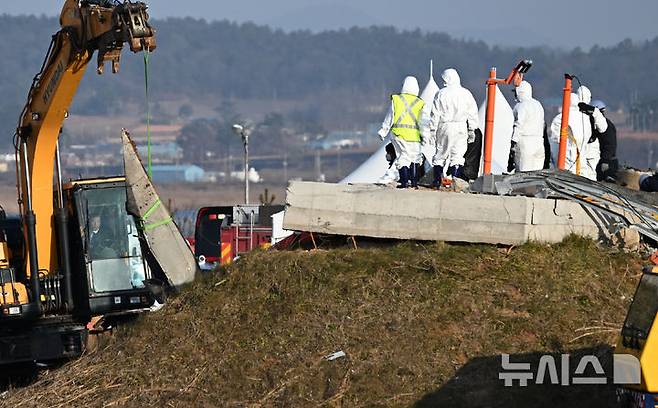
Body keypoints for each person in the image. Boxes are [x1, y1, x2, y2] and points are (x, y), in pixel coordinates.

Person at [426, 68, 479, 186]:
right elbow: (472, 113)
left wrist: (432, 130)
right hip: (461, 127)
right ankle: (455, 181)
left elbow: (435, 114)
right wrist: (472, 129)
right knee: (458, 156)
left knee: (440, 154)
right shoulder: (466, 93)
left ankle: (437, 181)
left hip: (445, 126)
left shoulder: (440, 93)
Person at [378, 76, 424, 188]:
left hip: (398, 134)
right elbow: (423, 121)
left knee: (402, 157)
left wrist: (383, 131)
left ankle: (404, 183)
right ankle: (414, 183)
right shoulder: (420, 103)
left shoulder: (397, 100)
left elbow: (390, 116)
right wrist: (426, 135)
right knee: (415, 158)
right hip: (414, 136)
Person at [549, 92, 593, 179]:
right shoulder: (585, 118)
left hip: (567, 155)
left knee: (567, 182)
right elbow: (588, 135)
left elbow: (555, 138)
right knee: (583, 179)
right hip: (582, 154)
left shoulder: (561, 118)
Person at [509, 81, 545, 172]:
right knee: (537, 175)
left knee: (523, 174)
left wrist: (513, 141)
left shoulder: (521, 106)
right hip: (539, 141)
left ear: (519, 92)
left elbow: (519, 125)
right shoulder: (538, 104)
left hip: (525, 142)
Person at [576, 86, 608, 180]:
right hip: (585, 145)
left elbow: (603, 128)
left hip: (584, 145)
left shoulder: (592, 111)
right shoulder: (593, 111)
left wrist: (594, 112)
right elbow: (603, 128)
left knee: (582, 171)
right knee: (589, 172)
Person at [588, 100, 618, 182]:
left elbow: (610, 144)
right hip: (605, 161)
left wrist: (605, 161)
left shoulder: (605, 126)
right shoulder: (601, 125)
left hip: (606, 163)